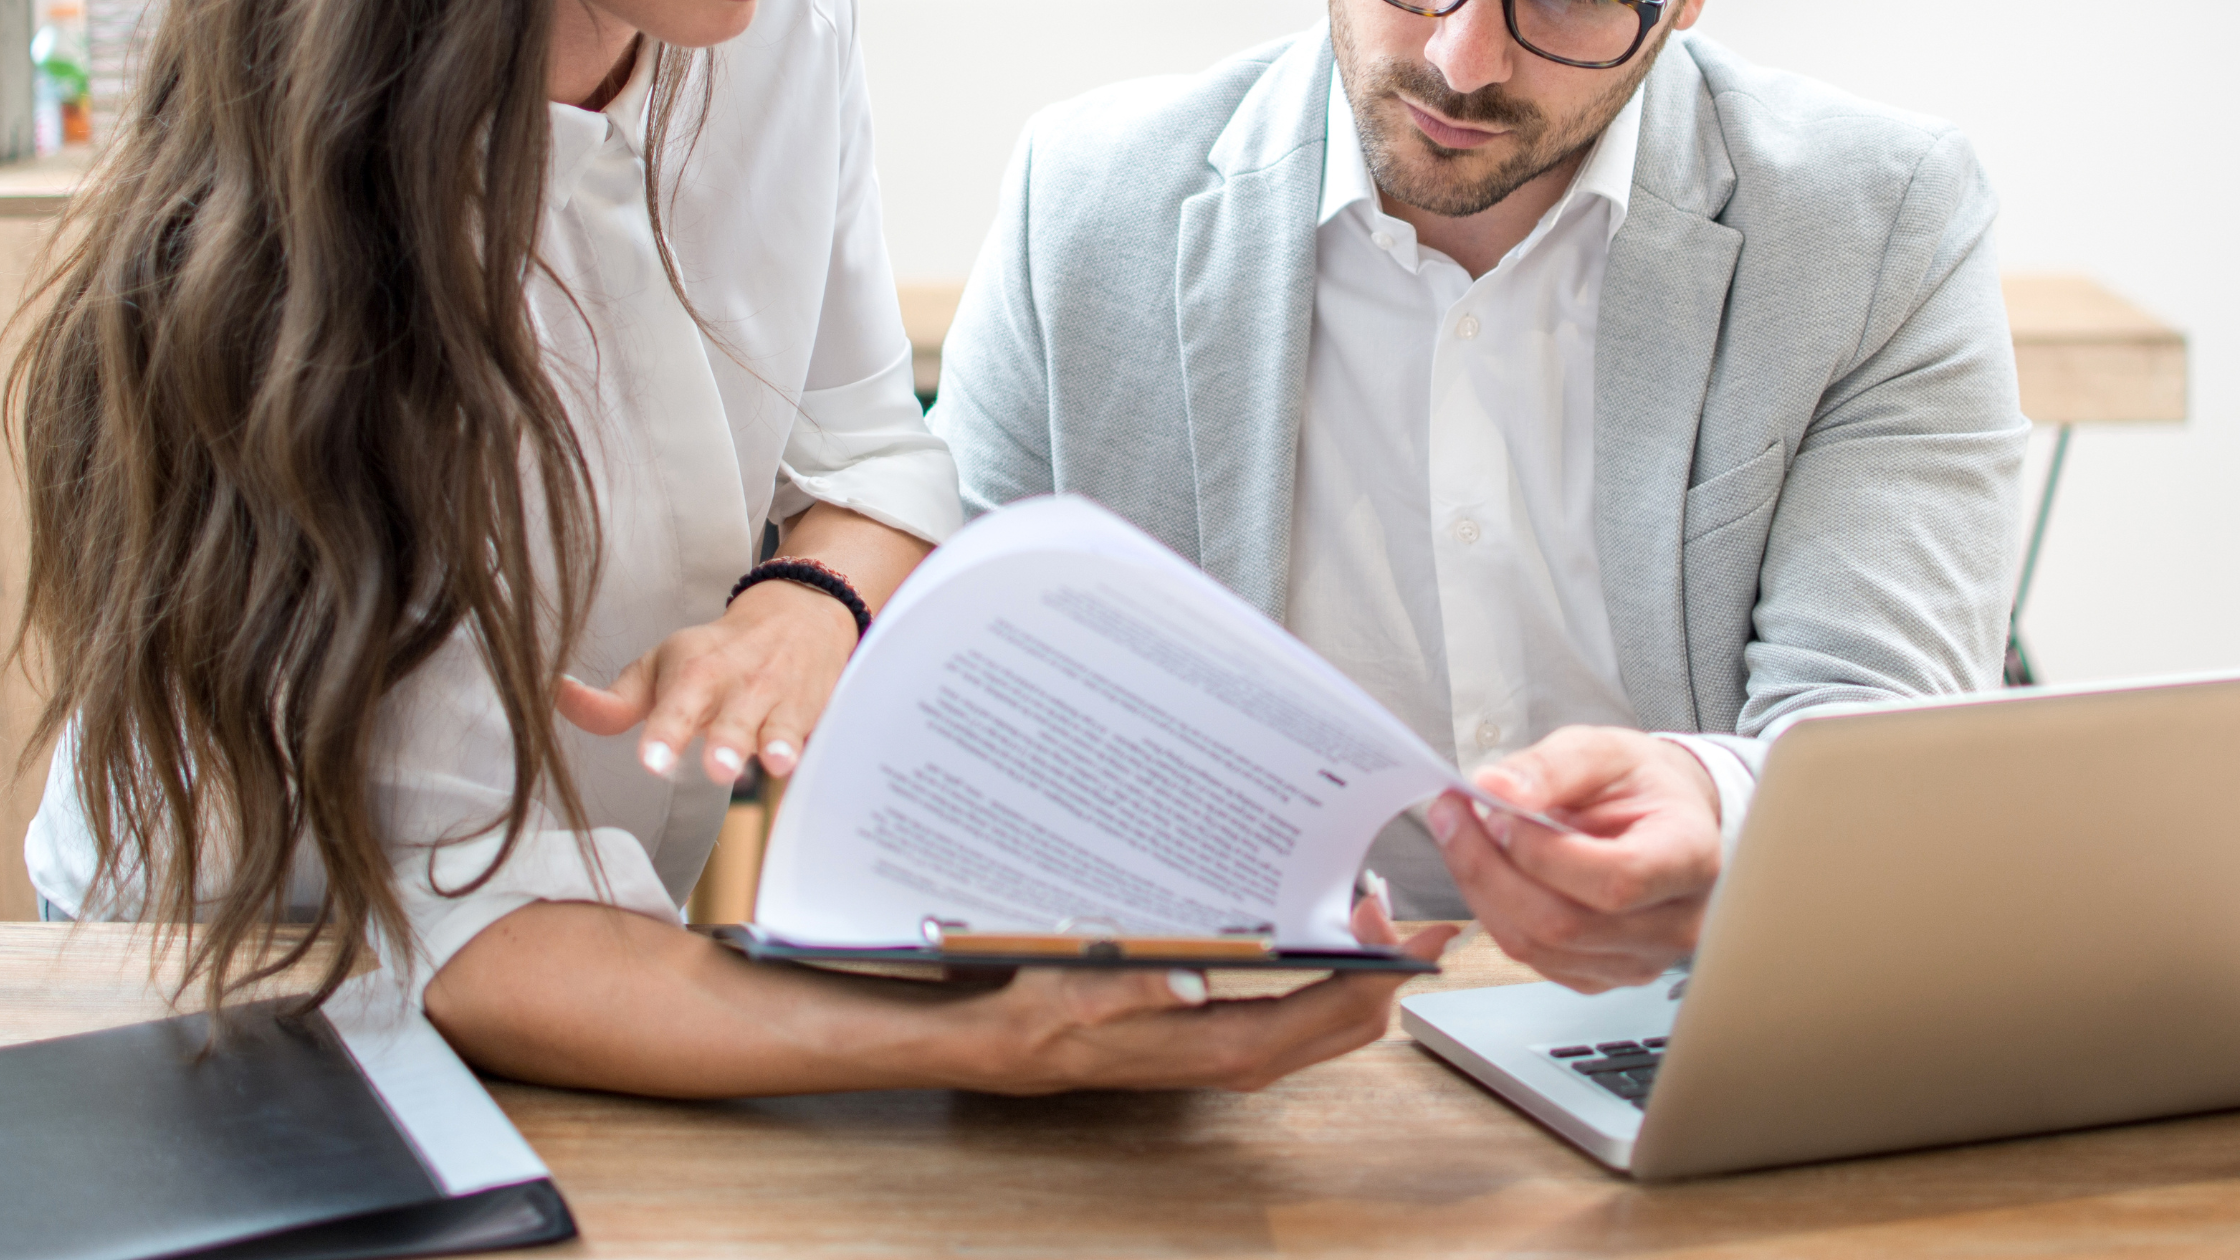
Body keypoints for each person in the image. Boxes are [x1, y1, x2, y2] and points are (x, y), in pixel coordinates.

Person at [11, 0, 1449, 1097]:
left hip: (595, 941)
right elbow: (441, 914)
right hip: (244, 962)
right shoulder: (322, 265)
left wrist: (806, 602)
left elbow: (873, 447)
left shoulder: (765, 35)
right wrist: (981, 1040)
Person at [928, 0, 2027, 991]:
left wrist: (1710, 800)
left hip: (1692, 1016)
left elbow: (1877, 735)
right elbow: (951, 695)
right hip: (1207, 1030)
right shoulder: (1083, 199)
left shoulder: (1874, 223)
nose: (1459, 62)